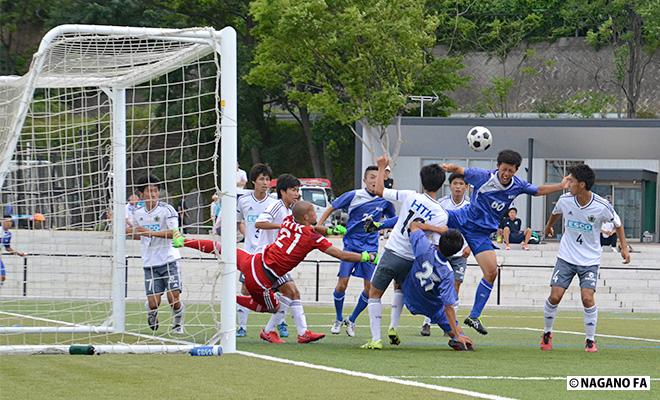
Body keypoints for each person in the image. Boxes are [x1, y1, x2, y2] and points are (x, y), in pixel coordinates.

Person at [182, 201, 376, 343]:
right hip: (261, 278)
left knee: (221, 248)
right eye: (313, 212)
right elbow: (341, 254)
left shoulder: (289, 221)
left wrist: (330, 231)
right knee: (273, 307)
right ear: (307, 217)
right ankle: (235, 301)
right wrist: (366, 257)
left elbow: (311, 227)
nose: (316, 214)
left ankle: (183, 241)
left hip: (254, 259)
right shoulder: (312, 238)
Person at [441, 150, 569, 335]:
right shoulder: (483, 176)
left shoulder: (517, 185)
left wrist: (560, 185)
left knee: (492, 272)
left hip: (480, 235)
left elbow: (538, 190)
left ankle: (473, 316)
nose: (506, 174)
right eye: (504, 169)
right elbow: (461, 170)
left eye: (511, 170)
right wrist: (452, 168)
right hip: (462, 219)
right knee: (430, 217)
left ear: (516, 170)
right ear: (498, 167)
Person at [362, 155, 448, 350]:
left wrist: (382, 166)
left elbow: (379, 190)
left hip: (394, 251)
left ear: (422, 180)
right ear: (442, 185)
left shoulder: (411, 196)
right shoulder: (441, 214)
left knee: (374, 294)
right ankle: (393, 326)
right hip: (413, 258)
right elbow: (434, 243)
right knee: (398, 288)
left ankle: (376, 339)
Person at [541, 164, 630, 353]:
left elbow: (618, 224)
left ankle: (590, 340)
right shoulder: (566, 200)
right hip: (565, 256)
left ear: (581, 184)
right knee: (555, 296)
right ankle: (547, 333)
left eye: (571, 180)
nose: (568, 183)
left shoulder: (601, 206)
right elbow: (556, 213)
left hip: (589, 260)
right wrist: (549, 226)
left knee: (587, 298)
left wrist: (624, 247)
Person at [317, 165, 396, 337]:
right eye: (372, 177)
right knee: (342, 284)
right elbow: (332, 206)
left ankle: (351, 320)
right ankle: (338, 319)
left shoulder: (385, 200)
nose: (375, 180)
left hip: (371, 249)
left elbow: (394, 219)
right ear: (365, 180)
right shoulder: (354, 195)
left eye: (378, 177)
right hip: (351, 246)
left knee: (370, 289)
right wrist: (319, 224)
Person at [127, 175, 185, 334]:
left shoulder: (167, 210)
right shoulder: (138, 212)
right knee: (154, 303)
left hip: (169, 260)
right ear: (141, 194)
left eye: (155, 190)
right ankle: (151, 312)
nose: (152, 194)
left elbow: (175, 233)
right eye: (148, 191)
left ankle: (178, 322)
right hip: (150, 263)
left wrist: (150, 232)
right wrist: (128, 233)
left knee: (173, 299)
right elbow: (140, 234)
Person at [406, 221, 474, 351]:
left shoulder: (425, 246)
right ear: (455, 252)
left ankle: (392, 325)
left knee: (401, 265)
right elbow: (448, 306)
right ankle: (457, 339)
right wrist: (458, 334)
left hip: (409, 292)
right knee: (466, 342)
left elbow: (413, 225)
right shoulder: (448, 273)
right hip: (432, 306)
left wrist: (438, 229)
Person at [420, 172, 471, 337]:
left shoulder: (470, 206)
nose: (458, 187)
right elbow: (432, 224)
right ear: (450, 186)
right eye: (455, 183)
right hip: (441, 251)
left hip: (460, 254)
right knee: (433, 286)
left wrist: (470, 246)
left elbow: (474, 229)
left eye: (461, 184)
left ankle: (451, 324)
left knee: (455, 286)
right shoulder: (441, 204)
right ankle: (427, 322)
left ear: (466, 187)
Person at [234, 163, 276, 337]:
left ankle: (277, 325)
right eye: (261, 179)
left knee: (276, 289)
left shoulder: (274, 203)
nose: (265, 183)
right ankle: (241, 326)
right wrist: (248, 236)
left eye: (267, 179)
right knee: (245, 289)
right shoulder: (243, 201)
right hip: (250, 254)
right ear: (253, 181)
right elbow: (238, 222)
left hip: (269, 255)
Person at [0, 215, 27, 287]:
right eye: (7, 221)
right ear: (2, 222)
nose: (9, 223)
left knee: (3, 277)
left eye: (10, 221)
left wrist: (19, 254)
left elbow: (7, 248)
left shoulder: (8, 234)